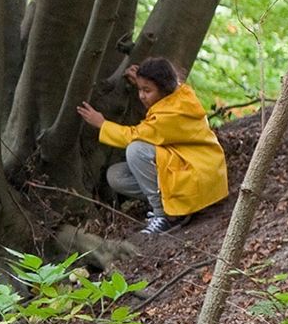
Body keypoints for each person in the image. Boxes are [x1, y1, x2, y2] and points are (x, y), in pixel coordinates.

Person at [76, 57, 228, 235]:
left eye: (147, 90)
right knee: (116, 176)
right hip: (190, 167)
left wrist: (102, 123)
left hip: (197, 174)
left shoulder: (169, 116)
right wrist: (144, 83)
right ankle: (174, 204)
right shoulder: (180, 93)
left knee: (136, 150)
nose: (141, 96)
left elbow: (132, 136)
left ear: (164, 89)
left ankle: (165, 216)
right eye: (140, 89)